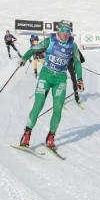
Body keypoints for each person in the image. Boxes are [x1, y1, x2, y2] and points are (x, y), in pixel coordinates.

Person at [17, 20, 83, 152]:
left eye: (68, 31)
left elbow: (77, 63)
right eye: (63, 31)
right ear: (58, 30)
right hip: (46, 75)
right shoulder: (50, 41)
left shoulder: (73, 45)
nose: (65, 34)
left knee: (58, 108)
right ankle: (27, 134)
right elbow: (34, 49)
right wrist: (24, 59)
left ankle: (51, 137)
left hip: (60, 78)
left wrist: (80, 79)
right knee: (39, 104)